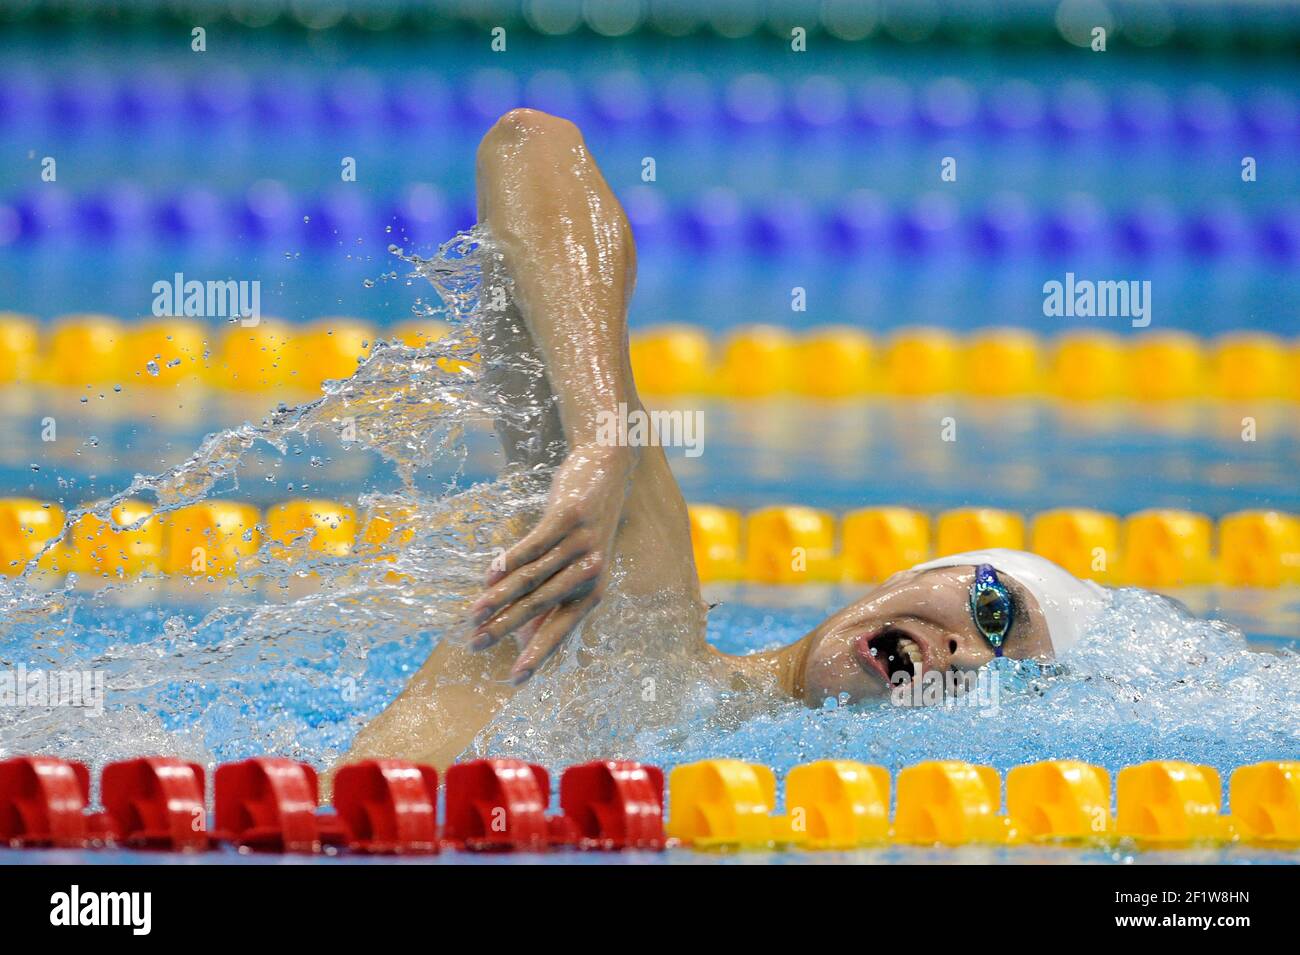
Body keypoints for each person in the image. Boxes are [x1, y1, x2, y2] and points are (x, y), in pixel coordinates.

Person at [338, 109, 1110, 770]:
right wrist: (604, 439)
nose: (967, 656)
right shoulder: (640, 620)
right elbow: (530, 147)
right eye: (993, 609)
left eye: (1005, 676)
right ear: (912, 572)